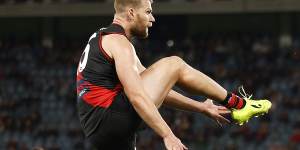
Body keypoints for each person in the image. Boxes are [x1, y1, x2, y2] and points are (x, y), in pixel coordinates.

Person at [76, 0, 272, 149]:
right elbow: (137, 96)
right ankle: (239, 104)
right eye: (148, 12)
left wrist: (201, 108)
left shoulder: (105, 37)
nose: (152, 18)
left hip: (101, 132)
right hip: (109, 119)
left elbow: (154, 90)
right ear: (131, 12)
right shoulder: (119, 43)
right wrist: (167, 134)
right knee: (175, 64)